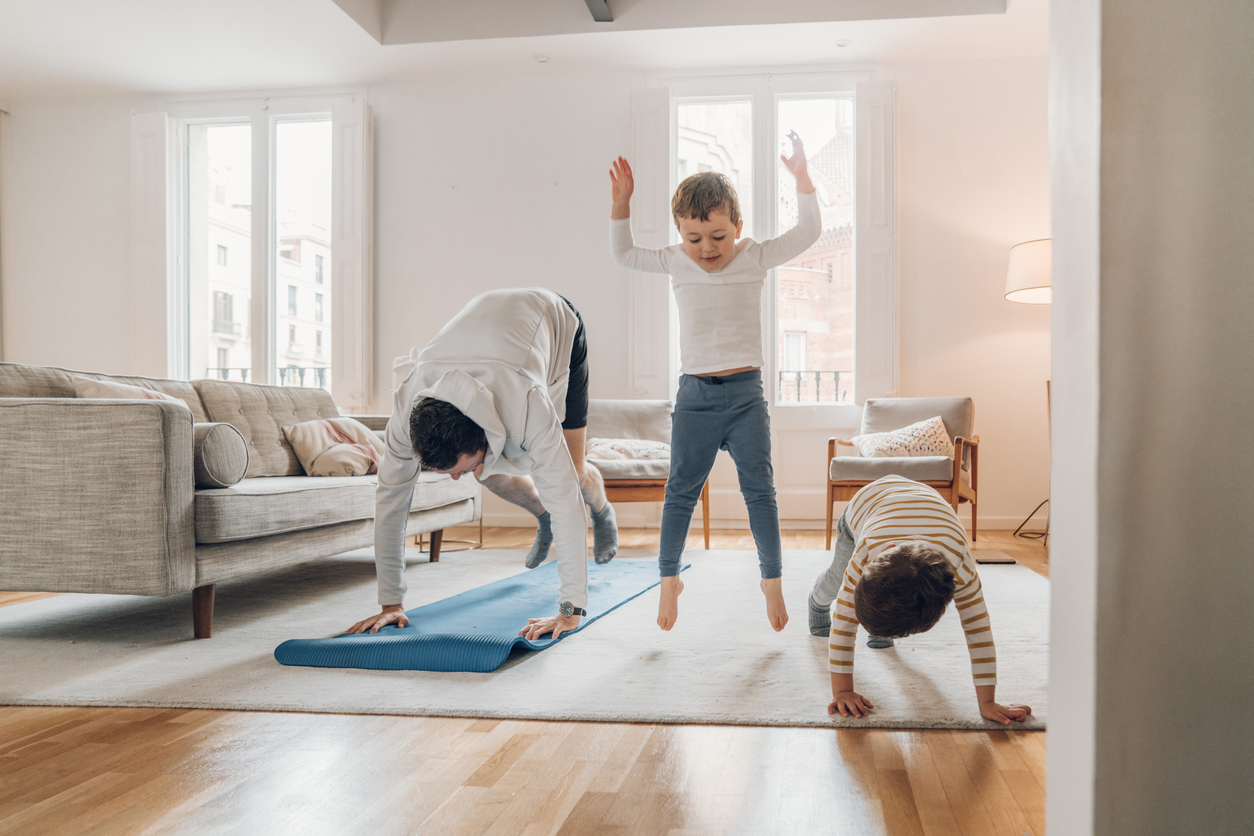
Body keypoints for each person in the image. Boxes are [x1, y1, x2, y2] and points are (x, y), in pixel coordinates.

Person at [607, 133, 821, 633]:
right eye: (694, 238)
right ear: (681, 235)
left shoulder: (754, 255)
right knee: (680, 491)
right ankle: (668, 581)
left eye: (718, 237)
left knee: (760, 491)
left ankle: (771, 579)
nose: (706, 249)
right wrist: (622, 204)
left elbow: (808, 232)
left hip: (747, 396)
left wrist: (804, 181)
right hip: (695, 398)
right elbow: (623, 254)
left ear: (737, 228)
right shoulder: (673, 260)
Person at [347, 288, 618, 641]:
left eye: (458, 468)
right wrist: (390, 604)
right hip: (489, 335)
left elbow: (566, 501)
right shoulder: (405, 411)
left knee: (574, 474)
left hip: (556, 323)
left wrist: (570, 611)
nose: (456, 479)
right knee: (485, 474)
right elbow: (390, 504)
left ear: (483, 438)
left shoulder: (527, 404)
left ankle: (602, 509)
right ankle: (541, 514)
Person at [810, 475, 1032, 725]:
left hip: (918, 505)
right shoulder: (866, 552)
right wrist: (842, 691)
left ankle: (881, 630)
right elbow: (844, 620)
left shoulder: (961, 567)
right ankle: (816, 602)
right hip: (864, 507)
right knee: (836, 579)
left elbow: (978, 630)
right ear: (884, 552)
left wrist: (988, 702)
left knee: (894, 606)